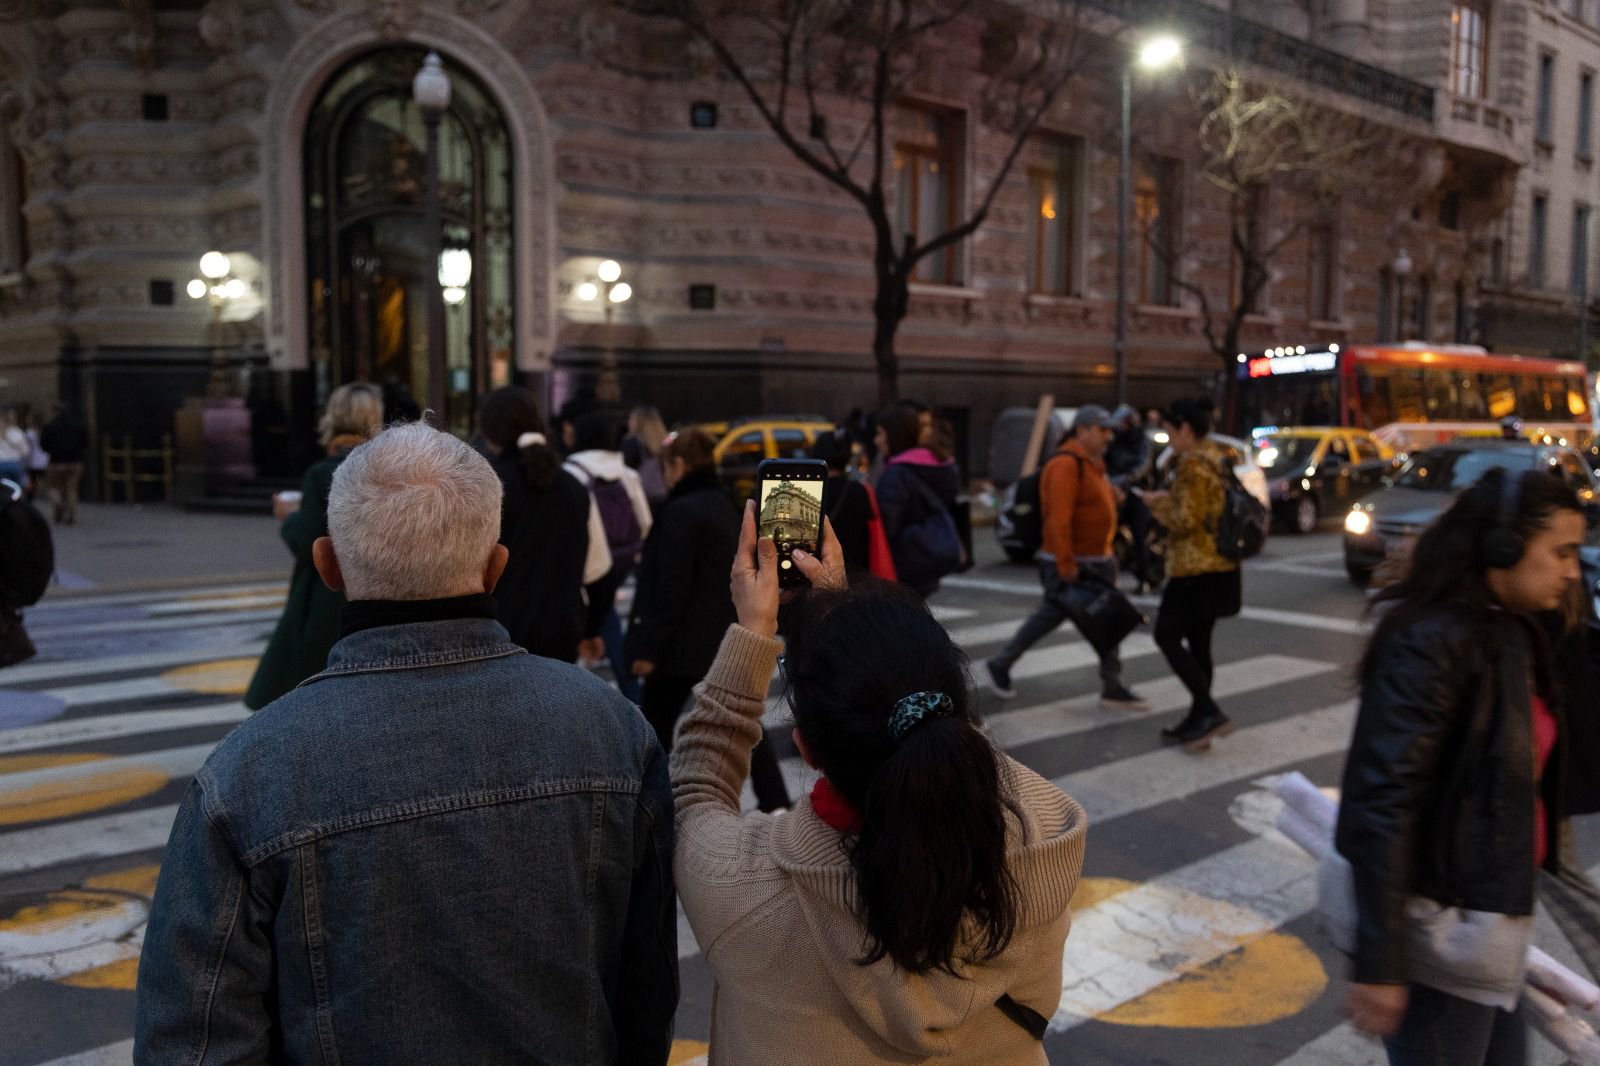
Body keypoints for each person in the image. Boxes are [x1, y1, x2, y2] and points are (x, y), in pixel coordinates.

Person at [135, 422, 677, 1064]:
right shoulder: (614, 734)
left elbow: (195, 1043)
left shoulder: (246, 776)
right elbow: (646, 999)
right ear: (495, 566)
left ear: (328, 566)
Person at [671, 505, 1086, 1061]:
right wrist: (846, 623)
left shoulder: (743, 889)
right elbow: (950, 738)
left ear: (807, 749)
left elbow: (696, 787)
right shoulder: (1038, 836)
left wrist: (758, 632)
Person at [1336, 468, 1585, 1065]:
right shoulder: (1432, 640)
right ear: (1501, 548)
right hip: (1439, 942)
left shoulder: (1509, 628)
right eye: (1561, 553)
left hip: (1488, 929)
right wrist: (1383, 963)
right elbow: (1383, 801)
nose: (1572, 571)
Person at [628, 427, 790, 812]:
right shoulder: (720, 503)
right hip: (717, 635)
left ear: (678, 465)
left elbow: (670, 586)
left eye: (667, 467)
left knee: (652, 729)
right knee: (741, 721)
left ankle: (649, 811)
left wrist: (650, 647)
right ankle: (776, 802)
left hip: (680, 647)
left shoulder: (680, 511)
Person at [982, 405, 1147, 709]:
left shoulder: (1092, 462)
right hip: (1076, 563)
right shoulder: (1066, 465)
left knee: (1096, 620)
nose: (1108, 437)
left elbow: (1095, 500)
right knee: (1082, 618)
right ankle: (1001, 664)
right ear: (1082, 430)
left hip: (1097, 560)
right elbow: (1058, 519)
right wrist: (1065, 562)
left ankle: (1111, 684)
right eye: (1102, 430)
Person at [243, 383, 384, 711]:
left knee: (310, 687)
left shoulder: (323, 473)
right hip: (373, 588)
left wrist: (290, 516)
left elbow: (307, 541)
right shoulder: (380, 469)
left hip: (325, 596)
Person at [477, 385, 609, 662]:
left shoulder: (489, 487)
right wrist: (592, 629)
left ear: (490, 432)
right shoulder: (574, 487)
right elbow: (598, 573)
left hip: (500, 636)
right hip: (562, 635)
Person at [1140, 398, 1242, 751]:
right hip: (1220, 568)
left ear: (1184, 428)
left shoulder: (1193, 465)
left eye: (1169, 431)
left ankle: (1209, 711)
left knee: (1166, 635)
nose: (1167, 438)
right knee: (1199, 643)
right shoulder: (1218, 457)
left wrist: (1157, 502)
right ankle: (1200, 718)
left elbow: (1185, 520)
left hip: (1194, 569)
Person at [566, 410, 653, 701]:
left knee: (594, 621)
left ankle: (572, 694)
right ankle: (630, 689)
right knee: (607, 618)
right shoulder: (626, 473)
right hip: (622, 562)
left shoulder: (572, 474)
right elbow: (644, 522)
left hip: (585, 565)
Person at [874, 405, 963, 597]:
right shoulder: (941, 464)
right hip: (928, 560)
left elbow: (886, 528)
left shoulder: (896, 474)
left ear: (895, 434)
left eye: (880, 434)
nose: (876, 440)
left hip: (904, 565)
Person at [810, 429, 875, 571]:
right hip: (854, 571)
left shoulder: (810, 490)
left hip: (819, 568)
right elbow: (867, 536)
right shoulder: (858, 490)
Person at [1107, 404, 1156, 590]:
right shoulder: (1114, 442)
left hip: (1136, 493)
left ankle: (1143, 578)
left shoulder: (1141, 441)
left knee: (1138, 535)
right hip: (1115, 490)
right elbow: (1105, 460)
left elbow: (1143, 465)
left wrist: (1129, 477)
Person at [39, 405, 88, 525]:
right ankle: (71, 513)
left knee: (52, 487)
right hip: (75, 461)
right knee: (72, 489)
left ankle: (59, 503)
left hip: (57, 461)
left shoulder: (49, 426)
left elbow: (43, 444)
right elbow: (85, 442)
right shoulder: (77, 425)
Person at [622, 404, 670, 512]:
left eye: (631, 418)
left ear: (639, 422)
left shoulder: (632, 442)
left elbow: (626, 470)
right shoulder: (665, 443)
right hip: (663, 495)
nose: (628, 422)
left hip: (641, 497)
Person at [0, 407, 28, 490]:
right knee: (18, 488)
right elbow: (25, 451)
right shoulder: (18, 432)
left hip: (1, 465)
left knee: (4, 490)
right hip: (15, 464)